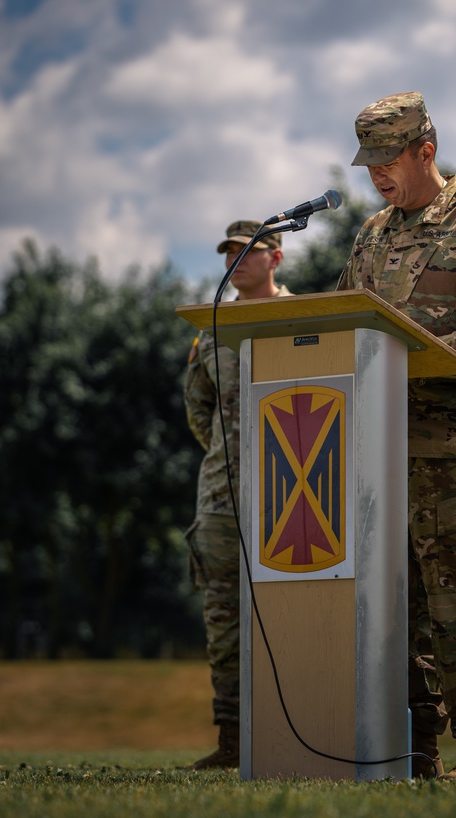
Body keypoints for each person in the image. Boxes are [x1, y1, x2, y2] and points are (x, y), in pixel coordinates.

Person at [338, 91, 456, 782]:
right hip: (377, 452)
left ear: (427, 150)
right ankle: (411, 750)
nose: (379, 174)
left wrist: (414, 349)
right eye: (370, 163)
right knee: (396, 607)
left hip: (451, 451)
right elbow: (345, 325)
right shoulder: (370, 235)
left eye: (390, 159)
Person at [184, 220, 292, 769]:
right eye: (229, 252)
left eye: (249, 251)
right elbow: (199, 410)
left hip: (294, 497)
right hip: (224, 498)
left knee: (295, 610)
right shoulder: (211, 331)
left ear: (275, 259)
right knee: (224, 618)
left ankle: (296, 731)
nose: (236, 260)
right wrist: (235, 455)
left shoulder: (304, 320)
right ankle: (231, 740)